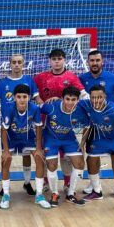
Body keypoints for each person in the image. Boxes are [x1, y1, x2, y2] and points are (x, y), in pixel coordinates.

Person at [79, 49, 114, 199]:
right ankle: (95, 185)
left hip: (112, 125)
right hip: (94, 125)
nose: (94, 63)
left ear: (102, 61)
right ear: (88, 62)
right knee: (92, 156)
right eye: (92, 60)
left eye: (97, 60)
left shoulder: (112, 78)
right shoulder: (82, 79)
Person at [34, 48, 86, 192]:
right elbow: (32, 92)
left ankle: (67, 183)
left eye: (59, 59)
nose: (57, 62)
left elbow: (83, 95)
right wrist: (40, 101)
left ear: (64, 60)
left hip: (64, 121)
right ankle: (45, 182)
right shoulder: (41, 77)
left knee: (66, 156)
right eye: (54, 59)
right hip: (45, 120)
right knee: (46, 154)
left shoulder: (71, 77)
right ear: (50, 61)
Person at [79, 84, 114, 213]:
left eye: (99, 97)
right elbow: (69, 102)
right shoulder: (86, 104)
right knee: (90, 160)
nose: (96, 100)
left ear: (105, 97)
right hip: (101, 137)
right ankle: (97, 191)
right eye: (93, 97)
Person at [0, 54, 40, 196]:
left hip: (25, 126)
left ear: (23, 64)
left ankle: (27, 183)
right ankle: (3, 187)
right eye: (14, 62)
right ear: (10, 64)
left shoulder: (29, 80)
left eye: (19, 62)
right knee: (6, 158)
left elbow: (37, 99)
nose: (17, 64)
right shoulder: (3, 83)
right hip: (9, 128)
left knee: (27, 155)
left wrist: (51, 107)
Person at [0, 84, 51, 209]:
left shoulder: (34, 108)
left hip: (28, 137)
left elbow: (38, 126)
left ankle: (39, 195)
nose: (22, 100)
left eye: (24, 97)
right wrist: (5, 151)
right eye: (19, 97)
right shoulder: (9, 109)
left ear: (29, 97)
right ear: (14, 97)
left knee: (39, 158)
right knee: (6, 160)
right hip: (11, 137)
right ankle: (6, 194)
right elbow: (4, 129)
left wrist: (38, 148)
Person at [40, 86, 88, 207]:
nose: (70, 102)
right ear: (62, 99)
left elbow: (87, 126)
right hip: (51, 139)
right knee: (52, 165)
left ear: (78, 100)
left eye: (73, 100)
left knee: (80, 163)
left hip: (69, 139)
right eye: (67, 99)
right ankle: (55, 193)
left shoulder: (80, 110)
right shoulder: (51, 107)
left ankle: (70, 194)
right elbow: (35, 109)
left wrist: (82, 144)